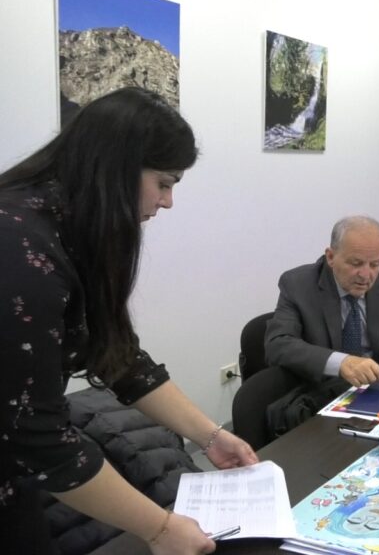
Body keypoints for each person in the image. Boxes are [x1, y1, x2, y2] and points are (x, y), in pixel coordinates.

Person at [0, 87, 258, 554]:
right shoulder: (17, 248)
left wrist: (209, 435)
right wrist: (160, 529)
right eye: (164, 183)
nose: (168, 201)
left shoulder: (67, 227)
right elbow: (35, 435)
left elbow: (118, 356)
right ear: (116, 168)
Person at [264, 216, 379, 407]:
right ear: (331, 257)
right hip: (324, 396)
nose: (365, 275)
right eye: (356, 263)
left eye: (375, 264)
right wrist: (342, 363)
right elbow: (278, 344)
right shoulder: (298, 284)